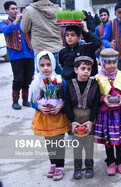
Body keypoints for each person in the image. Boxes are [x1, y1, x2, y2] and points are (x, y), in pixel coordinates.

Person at [30, 51, 70, 181]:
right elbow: (32, 101)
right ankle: (53, 164)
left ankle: (60, 166)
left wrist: (61, 105)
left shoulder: (60, 80)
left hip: (57, 117)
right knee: (49, 143)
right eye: (42, 65)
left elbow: (66, 98)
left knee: (58, 142)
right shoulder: (36, 82)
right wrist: (38, 106)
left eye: (48, 64)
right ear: (38, 66)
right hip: (44, 117)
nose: (45, 68)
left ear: (53, 64)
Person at [94, 48, 121, 175]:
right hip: (106, 113)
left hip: (120, 112)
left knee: (120, 138)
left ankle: (120, 161)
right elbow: (94, 96)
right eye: (108, 62)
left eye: (114, 62)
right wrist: (103, 99)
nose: (111, 65)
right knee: (109, 140)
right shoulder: (97, 78)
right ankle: (110, 161)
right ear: (102, 63)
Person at [64, 56, 99, 179]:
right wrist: (72, 121)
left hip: (89, 118)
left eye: (89, 69)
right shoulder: (69, 84)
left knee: (89, 144)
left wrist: (91, 121)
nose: (86, 71)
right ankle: (77, 167)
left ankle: (89, 166)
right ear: (75, 70)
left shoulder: (94, 84)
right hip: (75, 119)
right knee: (77, 145)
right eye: (83, 68)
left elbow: (96, 104)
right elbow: (67, 103)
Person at [0, 1, 34, 110]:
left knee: (28, 78)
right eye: (13, 9)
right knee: (18, 79)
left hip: (28, 54)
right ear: (7, 11)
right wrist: (16, 20)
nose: (15, 10)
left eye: (16, 8)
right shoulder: (4, 22)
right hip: (15, 55)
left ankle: (25, 100)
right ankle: (15, 101)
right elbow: (6, 30)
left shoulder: (23, 22)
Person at [21, 0, 63, 74]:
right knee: (60, 79)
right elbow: (61, 28)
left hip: (40, 49)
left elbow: (24, 29)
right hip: (57, 48)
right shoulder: (59, 9)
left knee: (43, 80)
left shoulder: (30, 9)